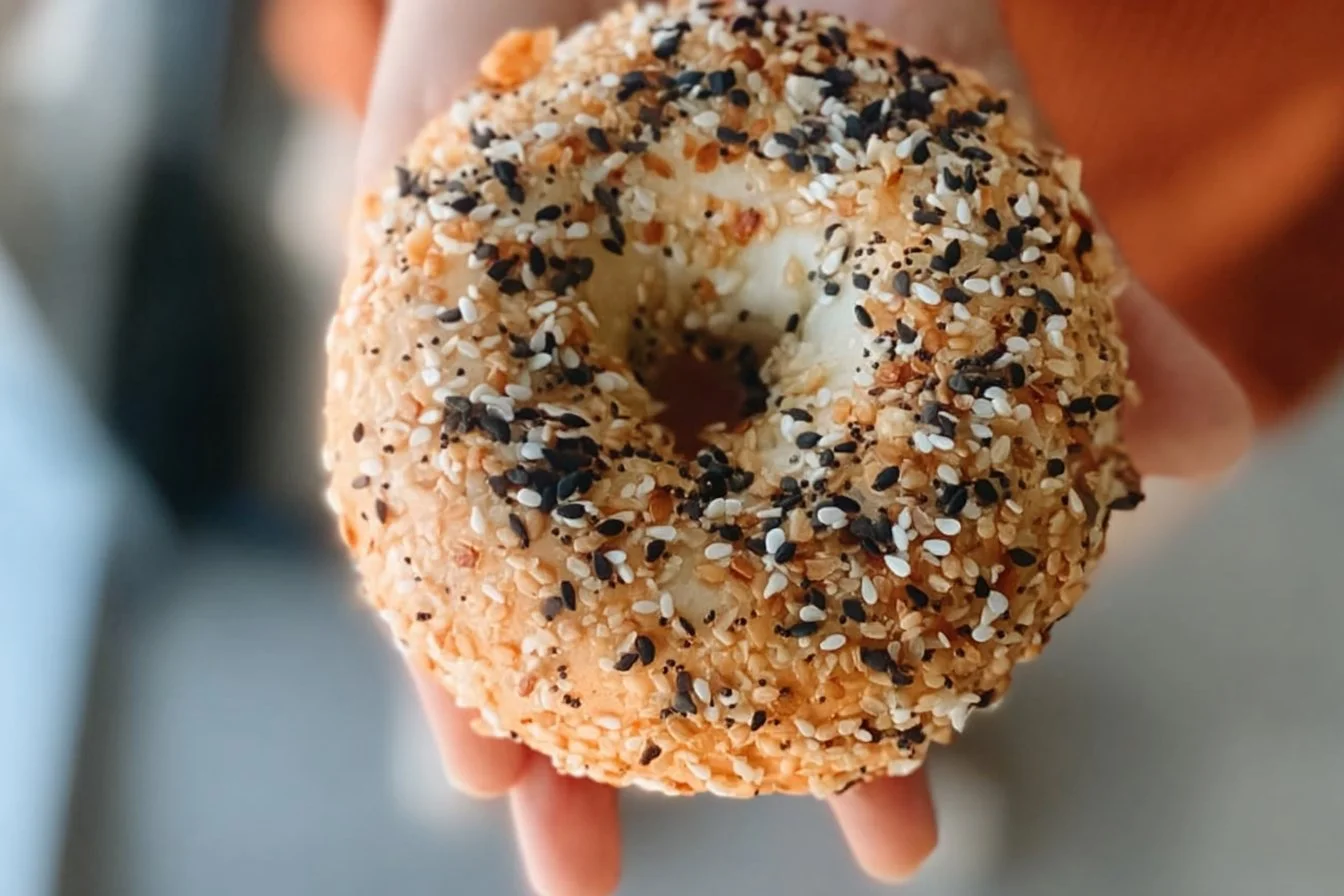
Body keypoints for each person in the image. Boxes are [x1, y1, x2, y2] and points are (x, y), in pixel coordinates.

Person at [264, 2, 1295, 893]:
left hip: (1176, 118)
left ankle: (888, 708)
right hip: (528, 158)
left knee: (1066, 500)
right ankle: (508, 656)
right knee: (376, 268)